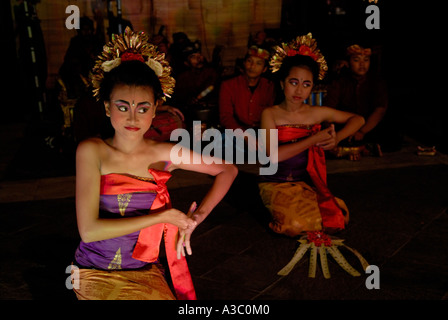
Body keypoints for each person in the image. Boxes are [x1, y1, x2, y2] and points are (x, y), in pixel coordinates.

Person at [71, 27, 237, 300]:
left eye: (143, 108)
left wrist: (196, 218)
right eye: (123, 107)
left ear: (156, 106)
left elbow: (227, 169)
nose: (133, 118)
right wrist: (164, 217)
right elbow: (89, 231)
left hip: (144, 269)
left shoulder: (166, 153)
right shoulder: (92, 151)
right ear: (106, 107)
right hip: (95, 270)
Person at [259, 34, 365, 237]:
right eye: (293, 82)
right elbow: (272, 157)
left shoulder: (315, 112)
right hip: (275, 183)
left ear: (312, 88)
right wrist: (313, 139)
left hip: (302, 184)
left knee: (338, 217)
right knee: (295, 225)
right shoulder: (270, 114)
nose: (299, 90)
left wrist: (337, 138)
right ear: (282, 83)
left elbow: (358, 120)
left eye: (306, 85)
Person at [324, 44, 389, 149]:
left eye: (366, 60)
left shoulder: (377, 82)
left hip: (369, 127)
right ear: (348, 63)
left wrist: (362, 131)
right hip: (345, 127)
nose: (362, 64)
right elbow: (328, 109)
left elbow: (380, 109)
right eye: (356, 60)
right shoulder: (340, 82)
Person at [219, 45, 275, 131]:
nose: (252, 66)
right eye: (249, 61)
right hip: (236, 132)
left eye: (258, 63)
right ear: (244, 63)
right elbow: (226, 117)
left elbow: (272, 114)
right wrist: (245, 136)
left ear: (264, 69)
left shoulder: (269, 86)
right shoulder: (228, 85)